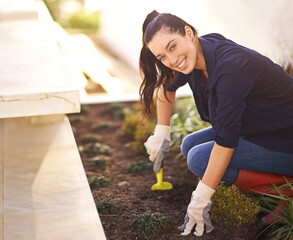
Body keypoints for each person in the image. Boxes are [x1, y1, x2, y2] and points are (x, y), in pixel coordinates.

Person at [139, 10, 293, 237]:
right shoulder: (197, 54)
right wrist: (162, 132)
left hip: (286, 137)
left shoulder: (231, 67)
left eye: (172, 47)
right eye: (161, 57)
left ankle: (287, 189)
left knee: (199, 159)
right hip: (262, 128)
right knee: (188, 144)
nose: (172, 61)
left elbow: (225, 143)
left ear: (188, 33)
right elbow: (167, 86)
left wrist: (201, 197)